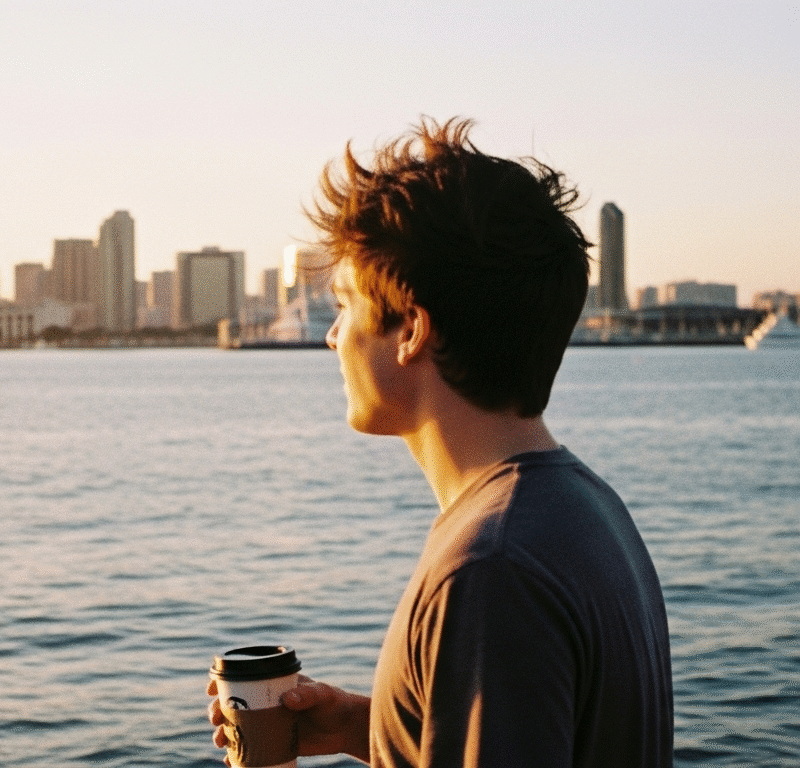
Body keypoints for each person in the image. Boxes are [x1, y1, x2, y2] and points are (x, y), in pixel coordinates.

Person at [208, 117, 673, 767]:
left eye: (345, 307)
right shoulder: (585, 510)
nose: (332, 337)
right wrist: (361, 728)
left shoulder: (489, 567)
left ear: (411, 331)